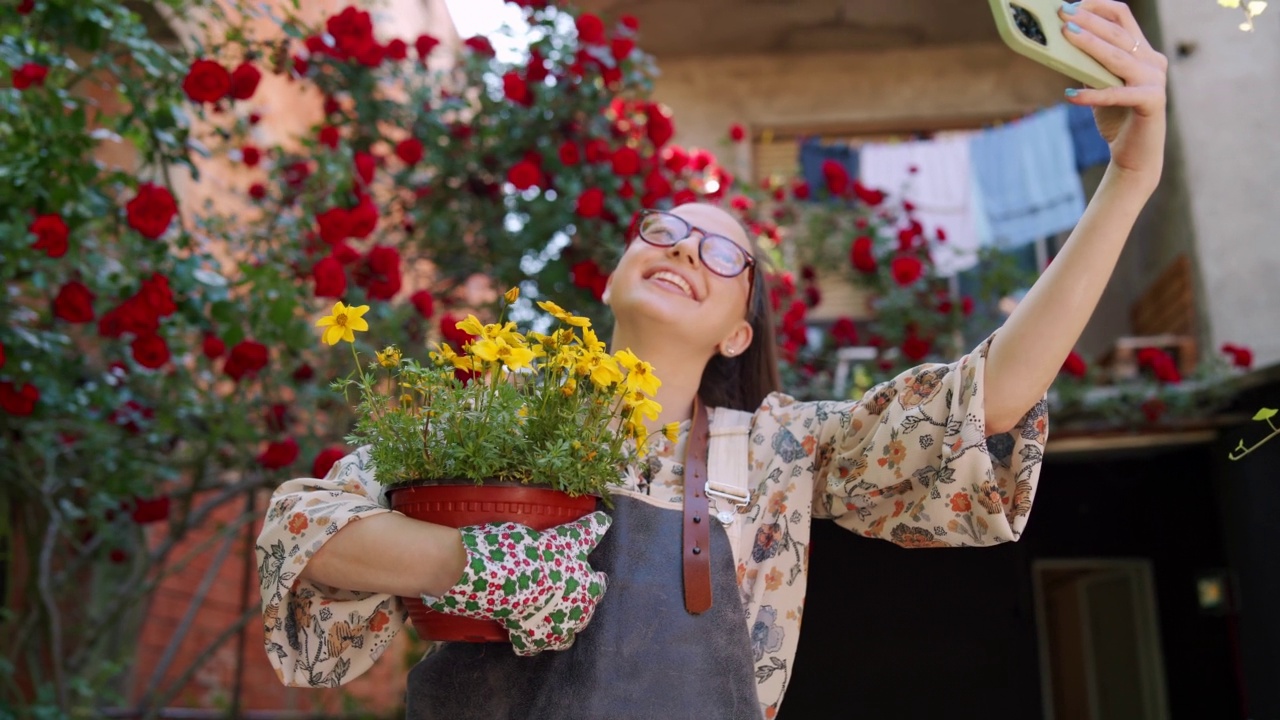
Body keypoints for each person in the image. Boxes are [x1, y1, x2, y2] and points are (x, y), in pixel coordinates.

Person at [256, 3, 1168, 717]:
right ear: (613, 278)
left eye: (723, 253)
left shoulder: (777, 453)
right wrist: (479, 566)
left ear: (741, 330)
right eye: (664, 231)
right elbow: (306, 531)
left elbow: (989, 400)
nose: (687, 250)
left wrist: (1127, 183)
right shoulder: (488, 418)